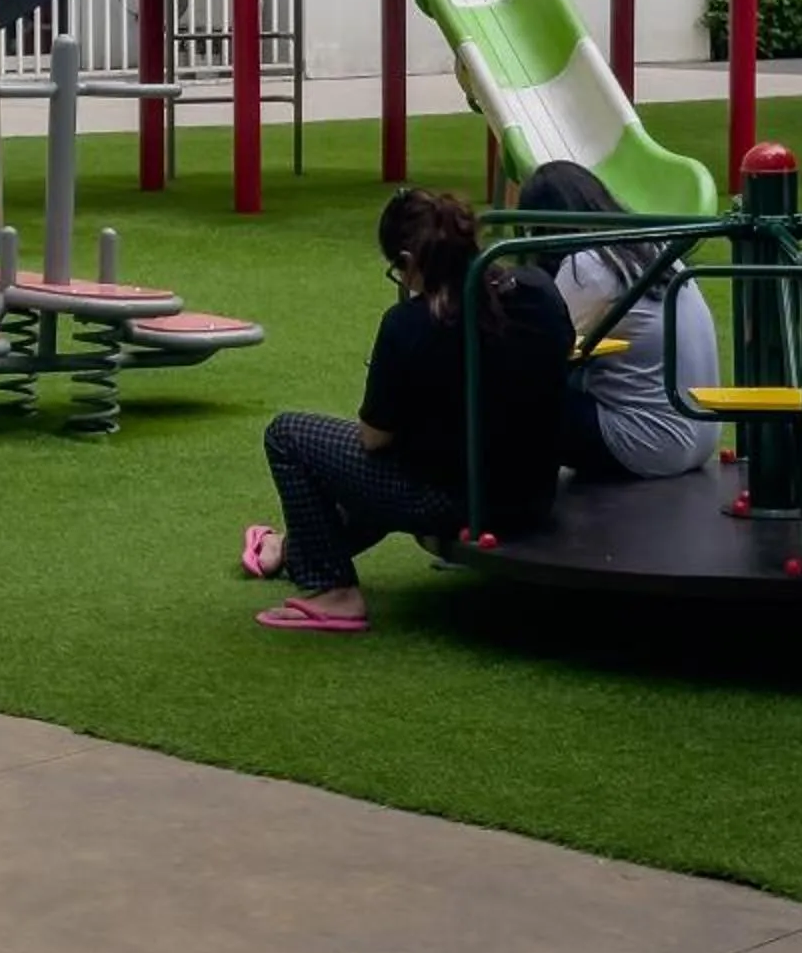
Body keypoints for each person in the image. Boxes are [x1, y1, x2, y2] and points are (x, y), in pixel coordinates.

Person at [243, 189, 574, 633]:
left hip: (456, 501)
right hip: (533, 492)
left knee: (289, 434)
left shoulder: (410, 323)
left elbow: (374, 437)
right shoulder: (538, 290)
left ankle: (334, 589)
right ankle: (295, 550)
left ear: (407, 260)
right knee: (398, 462)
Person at [520, 161, 724, 482]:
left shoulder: (586, 266)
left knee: (511, 393)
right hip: (699, 434)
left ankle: (504, 504)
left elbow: (536, 345)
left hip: (651, 442)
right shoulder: (651, 247)